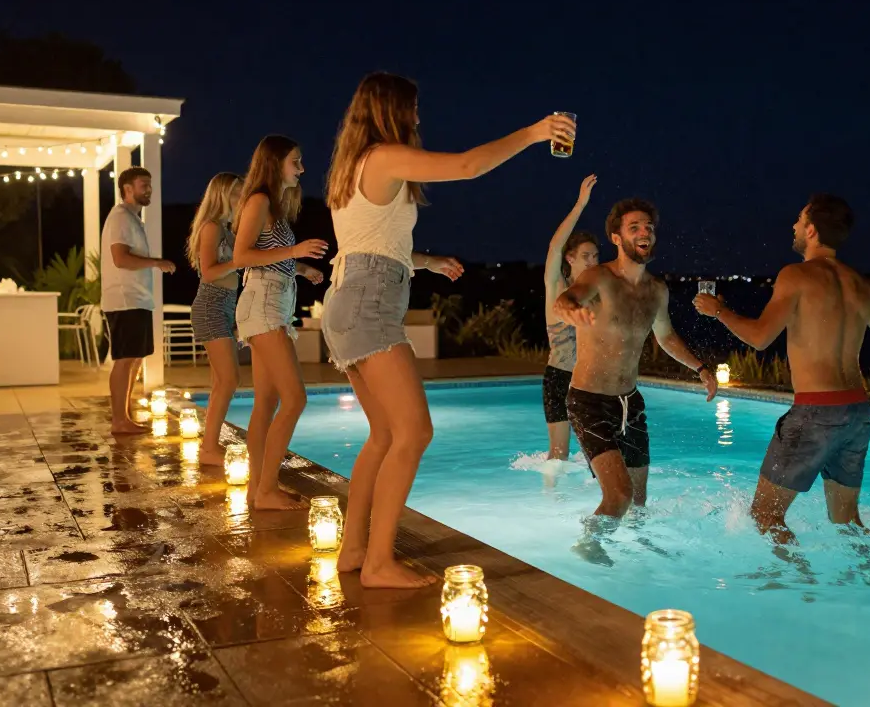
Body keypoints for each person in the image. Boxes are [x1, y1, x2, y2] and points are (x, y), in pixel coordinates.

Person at [323, 71, 575, 588]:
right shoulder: (385, 155)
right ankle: (377, 563)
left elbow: (372, 243)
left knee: (384, 435)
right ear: (391, 110)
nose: (418, 117)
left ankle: (354, 551)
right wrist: (533, 133)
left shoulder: (354, 166)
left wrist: (427, 262)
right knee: (415, 433)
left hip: (351, 299)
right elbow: (468, 165)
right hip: (368, 304)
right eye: (412, 108)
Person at [694, 193, 870, 544]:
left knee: (765, 515)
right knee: (847, 521)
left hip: (815, 412)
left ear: (811, 230)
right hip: (857, 413)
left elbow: (760, 337)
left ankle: (802, 589)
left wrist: (719, 311)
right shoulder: (862, 285)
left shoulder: (796, 276)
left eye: (798, 220)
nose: (793, 226)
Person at [554, 197, 717, 533]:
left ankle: (637, 550)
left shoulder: (657, 289)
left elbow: (666, 337)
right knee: (619, 496)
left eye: (649, 227)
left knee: (639, 498)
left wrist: (701, 368)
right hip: (589, 401)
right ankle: (589, 547)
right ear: (617, 238)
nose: (645, 232)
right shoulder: (598, 277)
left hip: (630, 402)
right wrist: (571, 310)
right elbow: (565, 300)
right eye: (635, 227)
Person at [233, 135, 327, 510]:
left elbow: (267, 255)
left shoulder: (274, 206)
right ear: (275, 163)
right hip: (264, 303)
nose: (301, 169)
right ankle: (267, 488)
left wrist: (301, 267)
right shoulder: (258, 201)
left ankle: (258, 488)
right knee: (295, 398)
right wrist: (295, 251)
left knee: (267, 402)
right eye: (295, 161)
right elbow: (241, 255)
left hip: (274, 299)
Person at [100, 166, 175, 435]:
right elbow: (120, 258)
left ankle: (125, 417)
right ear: (127, 189)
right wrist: (156, 262)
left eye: (150, 184)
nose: (149, 189)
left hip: (137, 299)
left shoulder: (132, 219)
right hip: (125, 299)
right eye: (144, 184)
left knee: (133, 358)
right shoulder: (120, 217)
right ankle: (119, 420)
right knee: (124, 358)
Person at [186, 172, 244, 465]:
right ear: (221, 195)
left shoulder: (228, 230)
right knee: (229, 379)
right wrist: (240, 260)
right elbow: (209, 272)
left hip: (225, 306)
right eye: (235, 193)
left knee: (221, 381)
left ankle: (210, 442)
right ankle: (208, 449)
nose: (240, 199)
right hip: (210, 306)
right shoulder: (211, 228)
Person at [542, 174, 601, 461]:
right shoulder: (557, 286)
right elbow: (555, 246)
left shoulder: (596, 295)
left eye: (596, 256)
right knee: (559, 453)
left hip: (588, 379)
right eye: (586, 256)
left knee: (598, 454)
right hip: (559, 376)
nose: (593, 261)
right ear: (570, 259)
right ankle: (551, 502)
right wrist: (580, 204)